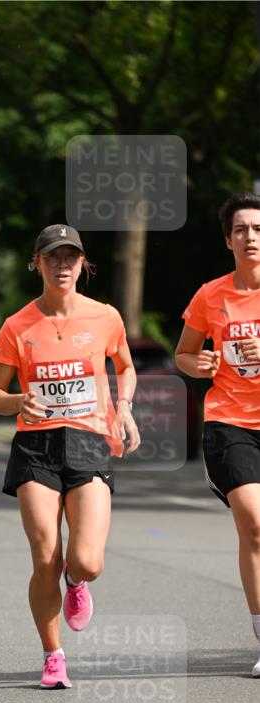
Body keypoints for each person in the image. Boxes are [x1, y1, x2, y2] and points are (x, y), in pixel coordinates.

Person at [0, 224, 140, 690]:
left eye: (70, 256)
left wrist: (124, 409)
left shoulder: (104, 317)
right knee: (45, 558)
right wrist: (18, 401)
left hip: (88, 441)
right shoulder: (17, 326)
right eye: (52, 257)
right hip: (36, 446)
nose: (62, 265)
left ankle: (77, 582)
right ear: (37, 264)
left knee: (87, 561)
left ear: (82, 263)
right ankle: (53, 656)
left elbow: (125, 366)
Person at [176, 192, 260, 678]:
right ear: (228, 240)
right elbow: (184, 354)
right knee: (255, 523)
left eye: (258, 229)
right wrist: (199, 363)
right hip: (231, 421)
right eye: (241, 230)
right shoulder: (211, 295)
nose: (251, 237)